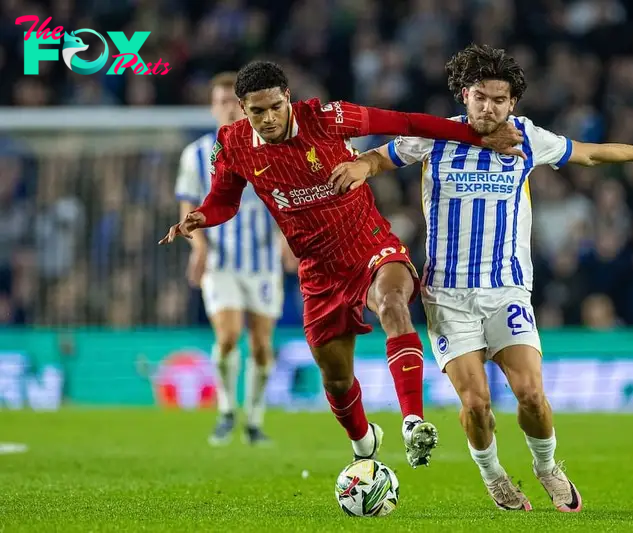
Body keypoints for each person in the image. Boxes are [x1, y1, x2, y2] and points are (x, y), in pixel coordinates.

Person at [329, 44, 633, 510]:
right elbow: (383, 156)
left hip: (507, 291)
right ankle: (494, 474)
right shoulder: (438, 135)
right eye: (480, 96)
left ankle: (547, 467)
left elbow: (591, 155)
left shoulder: (527, 138)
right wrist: (361, 165)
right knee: (476, 405)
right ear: (464, 95)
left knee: (532, 396)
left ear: (512, 103)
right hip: (447, 295)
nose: (488, 107)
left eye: (499, 99)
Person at [160, 60, 525, 467]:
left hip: (369, 245)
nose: (268, 118)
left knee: (393, 304)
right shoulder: (232, 143)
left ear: (288, 100)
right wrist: (202, 216)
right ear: (243, 110)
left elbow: (404, 122)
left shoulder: (327, 118)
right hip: (318, 270)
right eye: (256, 111)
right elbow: (225, 199)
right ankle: (365, 442)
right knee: (335, 380)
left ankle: (413, 422)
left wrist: (475, 137)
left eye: (275, 107)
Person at [174, 72, 295, 446]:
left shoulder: (272, 146)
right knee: (227, 337)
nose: (228, 108)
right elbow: (189, 202)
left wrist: (287, 241)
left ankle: (254, 421)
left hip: (262, 262)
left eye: (233, 101)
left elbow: (286, 199)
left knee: (261, 345)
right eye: (221, 101)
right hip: (221, 261)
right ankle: (227, 411)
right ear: (213, 108)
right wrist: (198, 247)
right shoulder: (196, 153)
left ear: (243, 107)